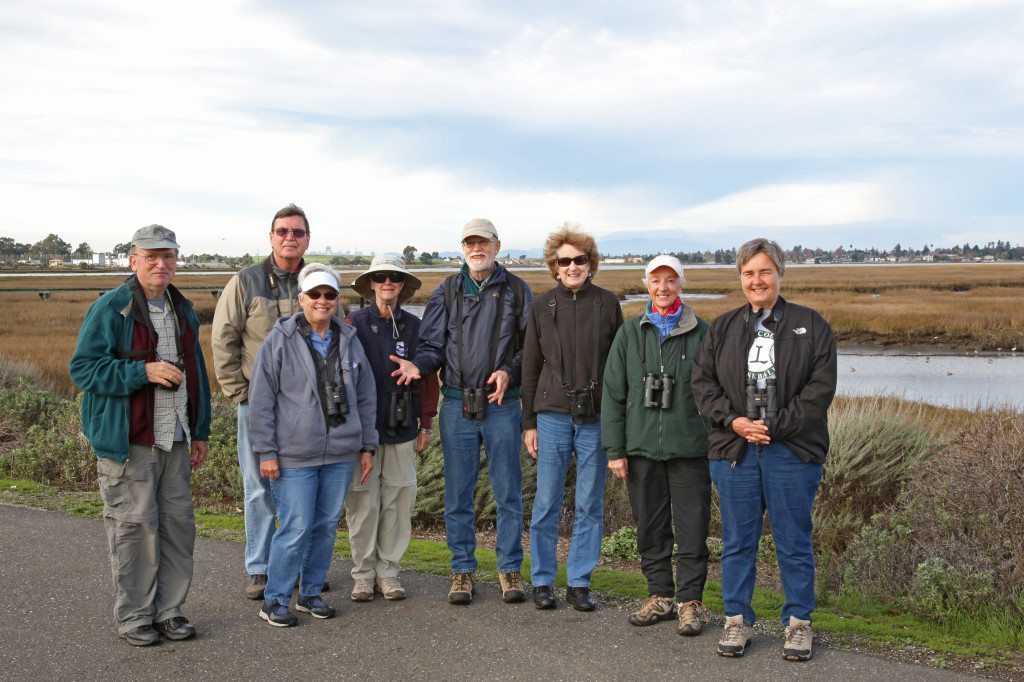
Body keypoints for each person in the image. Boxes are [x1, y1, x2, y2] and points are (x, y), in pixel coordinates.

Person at [692, 238, 837, 661]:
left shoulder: (811, 325)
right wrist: (734, 422)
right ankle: (736, 620)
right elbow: (702, 384)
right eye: (749, 273)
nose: (757, 280)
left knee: (793, 540)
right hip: (734, 451)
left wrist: (772, 426)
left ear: (780, 274)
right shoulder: (722, 328)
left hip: (790, 452)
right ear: (740, 278)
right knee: (738, 540)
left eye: (765, 271)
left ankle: (798, 624)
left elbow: (819, 390)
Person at [70, 224, 211, 646]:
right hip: (129, 441)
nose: (160, 263)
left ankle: (169, 610)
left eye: (168, 256)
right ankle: (135, 616)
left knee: (176, 526)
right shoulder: (112, 308)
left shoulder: (181, 307)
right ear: (133, 261)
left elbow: (197, 373)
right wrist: (142, 371)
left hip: (177, 438)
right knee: (134, 528)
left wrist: (200, 430)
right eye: (151, 256)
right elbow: (83, 370)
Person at [391, 218, 534, 605]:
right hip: (456, 404)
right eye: (470, 243)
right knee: (458, 494)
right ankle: (462, 571)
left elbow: (533, 349)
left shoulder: (518, 292)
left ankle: (509, 570)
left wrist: (509, 371)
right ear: (462, 249)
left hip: (501, 406)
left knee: (507, 493)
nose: (477, 249)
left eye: (483, 242)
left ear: (497, 245)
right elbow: (433, 345)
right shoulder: (447, 292)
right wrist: (418, 366)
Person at [247, 263, 377, 627]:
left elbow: (366, 396)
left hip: (339, 452)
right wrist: (267, 452)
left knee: (323, 525)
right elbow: (261, 400)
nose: (322, 301)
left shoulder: (349, 340)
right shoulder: (280, 340)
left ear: (337, 299)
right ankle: (274, 599)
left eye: (329, 295)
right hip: (294, 454)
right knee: (295, 526)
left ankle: (309, 592)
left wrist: (368, 444)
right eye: (315, 294)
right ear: (301, 298)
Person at [601, 254, 711, 636]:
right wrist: (615, 450)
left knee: (692, 528)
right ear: (646, 284)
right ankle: (660, 595)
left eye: (670, 280)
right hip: (642, 448)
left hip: (690, 449)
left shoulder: (703, 332)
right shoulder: (630, 333)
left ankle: (690, 603)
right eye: (655, 280)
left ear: (682, 283)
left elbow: (717, 392)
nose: (663, 287)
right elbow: (614, 395)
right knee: (650, 527)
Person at [211, 203, 316, 600]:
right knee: (258, 487)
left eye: (298, 232)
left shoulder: (316, 280)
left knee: (301, 487)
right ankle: (259, 567)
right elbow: (224, 338)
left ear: (308, 237)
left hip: (306, 408)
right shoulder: (246, 281)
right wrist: (239, 394)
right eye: (283, 231)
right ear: (270, 236)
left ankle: (301, 567)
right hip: (258, 404)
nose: (290, 238)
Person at [521, 224, 623, 611]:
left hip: (596, 417)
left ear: (590, 263)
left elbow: (619, 369)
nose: (572, 266)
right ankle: (542, 580)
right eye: (564, 261)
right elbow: (530, 366)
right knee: (546, 500)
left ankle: (579, 582)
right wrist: (527, 422)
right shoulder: (541, 306)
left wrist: (618, 423)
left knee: (589, 503)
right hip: (551, 417)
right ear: (554, 266)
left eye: (579, 259)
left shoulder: (609, 304)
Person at [344, 254, 439, 602]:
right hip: (362, 433)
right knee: (362, 504)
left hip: (403, 429)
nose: (388, 283)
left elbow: (428, 379)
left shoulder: (415, 328)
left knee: (398, 503)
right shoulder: (351, 323)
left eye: (395, 278)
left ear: (402, 285)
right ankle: (363, 575)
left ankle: (389, 573)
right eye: (381, 277)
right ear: (371, 283)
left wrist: (426, 421)